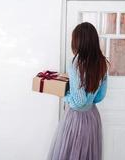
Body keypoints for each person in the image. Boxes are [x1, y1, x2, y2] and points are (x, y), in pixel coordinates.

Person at [47, 22, 110, 160]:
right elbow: (100, 96)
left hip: (76, 120)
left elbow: (78, 102)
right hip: (92, 117)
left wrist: (63, 93)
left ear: (77, 41)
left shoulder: (76, 63)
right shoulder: (102, 62)